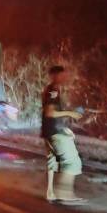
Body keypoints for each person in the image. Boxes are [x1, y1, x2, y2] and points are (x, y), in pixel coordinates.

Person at [42, 65, 86, 205]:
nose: (64, 77)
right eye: (62, 75)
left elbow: (50, 115)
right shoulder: (53, 90)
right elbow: (50, 113)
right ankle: (65, 194)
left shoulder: (51, 90)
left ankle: (50, 192)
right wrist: (70, 113)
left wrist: (65, 128)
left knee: (52, 161)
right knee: (72, 161)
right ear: (55, 75)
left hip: (49, 131)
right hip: (54, 132)